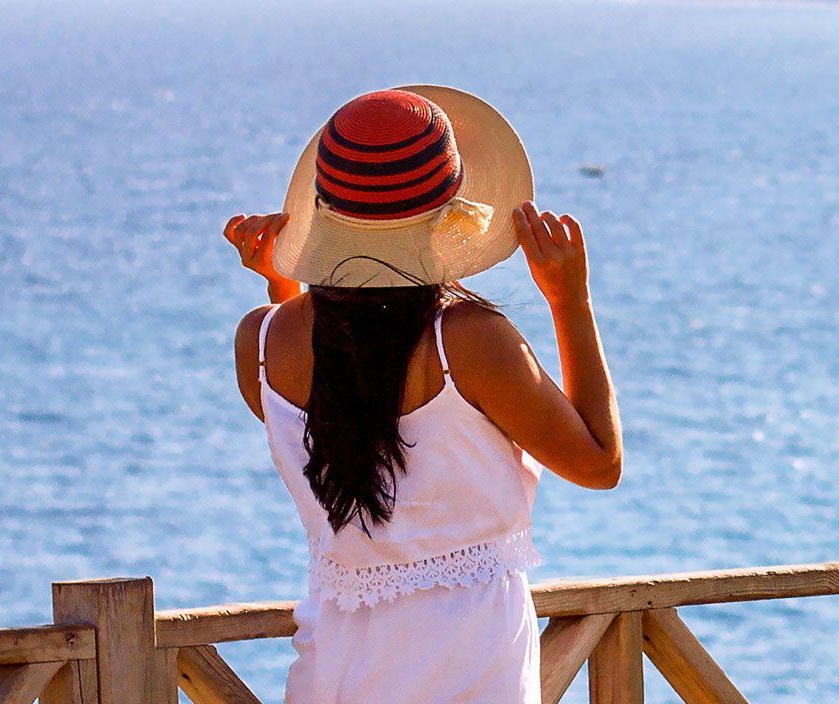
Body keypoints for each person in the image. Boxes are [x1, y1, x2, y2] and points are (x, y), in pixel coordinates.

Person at [219, 86, 624, 703]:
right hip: (468, 671)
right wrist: (570, 301)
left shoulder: (260, 342)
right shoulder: (472, 342)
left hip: (333, 671)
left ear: (320, 208)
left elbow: (344, 400)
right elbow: (598, 463)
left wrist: (284, 285)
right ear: (449, 212)